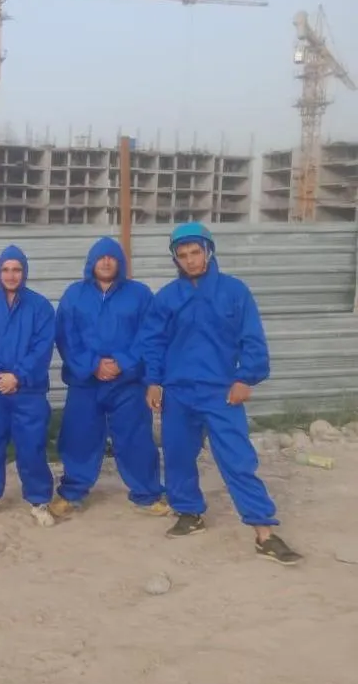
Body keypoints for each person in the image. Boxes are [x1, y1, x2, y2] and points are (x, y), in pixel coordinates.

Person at [136, 222, 302, 565]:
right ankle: (189, 513)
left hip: (221, 392)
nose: (190, 260)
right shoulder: (167, 297)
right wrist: (153, 381)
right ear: (175, 259)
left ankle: (264, 532)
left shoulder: (234, 292)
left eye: (195, 252)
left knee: (237, 459)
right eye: (182, 255)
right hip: (179, 392)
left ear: (208, 251)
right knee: (178, 455)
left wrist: (246, 378)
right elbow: (153, 342)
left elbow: (252, 339)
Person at [50, 236, 168, 518]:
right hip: (85, 382)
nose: (105, 262)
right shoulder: (74, 295)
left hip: (127, 383)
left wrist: (123, 363)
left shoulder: (139, 295)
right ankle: (72, 492)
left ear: (120, 262)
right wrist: (93, 365)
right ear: (91, 262)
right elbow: (66, 337)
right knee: (79, 436)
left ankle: (146, 494)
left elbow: (149, 334)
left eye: (111, 257)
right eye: (100, 257)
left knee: (135, 438)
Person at [0, 245, 57, 527]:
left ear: (24, 272)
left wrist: (17, 376)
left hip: (28, 391)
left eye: (16, 269)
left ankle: (39, 500)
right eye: (6, 269)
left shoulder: (40, 307)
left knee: (32, 446)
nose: (11, 275)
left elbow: (42, 348)